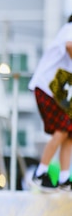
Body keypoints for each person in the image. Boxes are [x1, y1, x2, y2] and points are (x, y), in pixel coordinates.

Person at [28, 14, 72, 191]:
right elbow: (69, 46)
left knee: (69, 132)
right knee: (62, 129)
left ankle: (64, 179)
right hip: (47, 86)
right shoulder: (69, 29)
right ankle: (40, 173)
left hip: (58, 88)